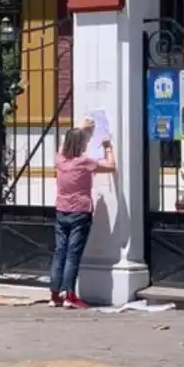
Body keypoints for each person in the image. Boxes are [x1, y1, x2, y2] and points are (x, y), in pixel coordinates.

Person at [48, 122, 116, 309]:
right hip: (80, 212)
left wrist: (80, 127)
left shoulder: (60, 161)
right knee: (73, 254)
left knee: (59, 252)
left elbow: (64, 145)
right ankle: (69, 295)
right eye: (84, 141)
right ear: (80, 145)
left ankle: (54, 295)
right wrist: (108, 147)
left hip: (61, 211)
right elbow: (111, 167)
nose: (87, 143)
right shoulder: (85, 163)